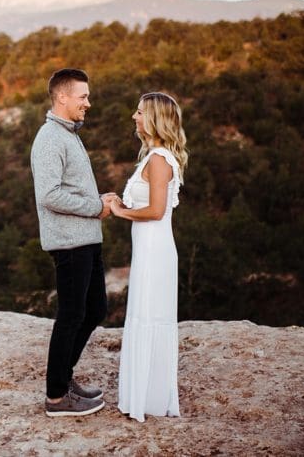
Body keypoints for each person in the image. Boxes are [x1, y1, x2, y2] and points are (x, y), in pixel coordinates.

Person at [31, 68, 118, 417]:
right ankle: (56, 397)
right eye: (83, 96)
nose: (88, 103)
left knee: (94, 310)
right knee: (71, 315)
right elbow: (50, 195)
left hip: (84, 239)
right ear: (62, 97)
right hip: (68, 243)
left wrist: (98, 198)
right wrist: (96, 207)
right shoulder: (50, 138)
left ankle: (63, 378)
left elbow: (70, 189)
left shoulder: (68, 134)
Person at [108, 92, 189, 422]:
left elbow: (155, 211)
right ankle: (144, 396)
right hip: (149, 249)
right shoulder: (155, 155)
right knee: (146, 316)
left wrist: (118, 211)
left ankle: (147, 400)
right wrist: (124, 206)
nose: (134, 117)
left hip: (155, 251)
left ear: (154, 118)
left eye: (140, 112)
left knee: (149, 318)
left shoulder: (158, 159)